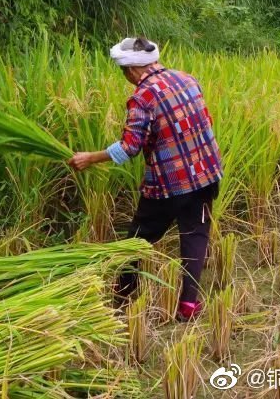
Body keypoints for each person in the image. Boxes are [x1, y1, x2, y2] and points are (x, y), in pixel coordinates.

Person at [68, 37, 222, 321]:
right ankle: (188, 307)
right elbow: (206, 122)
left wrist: (90, 157)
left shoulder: (142, 97)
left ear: (129, 71)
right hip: (206, 173)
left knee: (138, 238)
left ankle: (123, 293)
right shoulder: (188, 79)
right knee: (196, 235)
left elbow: (130, 147)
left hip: (171, 184)